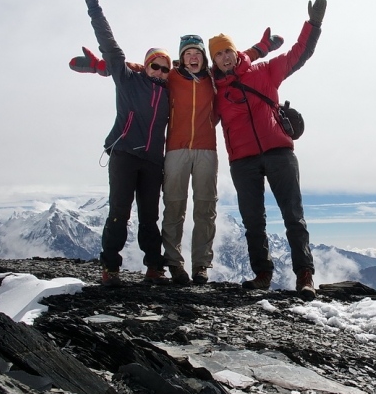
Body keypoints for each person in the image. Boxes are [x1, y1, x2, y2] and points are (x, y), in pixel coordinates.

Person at [71, 32, 284, 285]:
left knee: (206, 209)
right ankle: (173, 264)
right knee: (174, 208)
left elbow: (239, 57)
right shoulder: (169, 76)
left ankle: (201, 266)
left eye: (197, 54)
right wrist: (98, 67)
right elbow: (143, 68)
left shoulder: (214, 77)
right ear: (181, 59)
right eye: (187, 54)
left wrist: (262, 47)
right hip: (175, 150)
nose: (193, 58)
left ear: (203, 58)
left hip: (206, 150)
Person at [208, 0, 327, 301]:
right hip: (242, 161)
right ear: (214, 60)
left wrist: (312, 25)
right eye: (218, 54)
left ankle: (304, 276)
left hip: (278, 153)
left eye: (228, 51)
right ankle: (262, 275)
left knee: (293, 217)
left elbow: (299, 54)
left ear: (236, 53)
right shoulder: (213, 92)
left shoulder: (265, 72)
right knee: (252, 221)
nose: (225, 57)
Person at [78, 0, 171, 287]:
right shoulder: (128, 79)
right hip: (124, 154)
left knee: (149, 216)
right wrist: (94, 7)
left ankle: (154, 268)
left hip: (153, 161)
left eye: (164, 68)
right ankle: (110, 267)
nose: (159, 72)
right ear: (145, 65)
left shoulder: (172, 92)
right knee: (119, 211)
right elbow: (109, 42)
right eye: (154, 66)